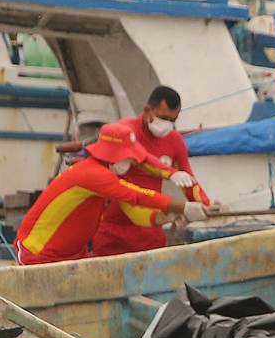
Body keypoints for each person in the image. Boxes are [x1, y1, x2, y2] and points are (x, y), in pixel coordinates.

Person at [15, 123, 207, 265]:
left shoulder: (106, 176)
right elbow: (138, 195)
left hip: (73, 254)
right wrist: (184, 207)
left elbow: (132, 210)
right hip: (40, 252)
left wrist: (165, 217)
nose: (130, 161)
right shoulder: (93, 174)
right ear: (111, 155)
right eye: (126, 157)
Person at [92, 86, 216, 257]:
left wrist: (207, 206)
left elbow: (189, 182)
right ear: (147, 110)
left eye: (173, 120)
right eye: (163, 118)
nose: (167, 125)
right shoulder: (125, 131)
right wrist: (171, 175)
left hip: (151, 230)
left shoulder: (174, 141)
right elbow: (143, 159)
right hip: (112, 230)